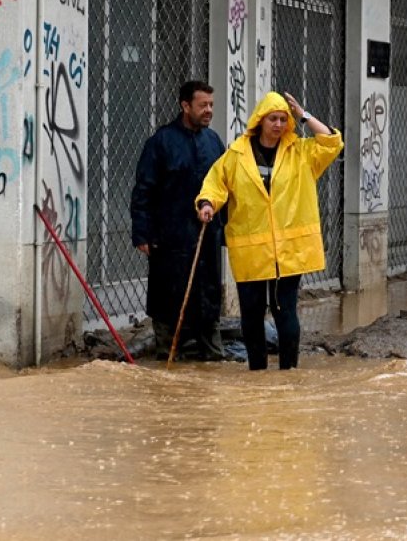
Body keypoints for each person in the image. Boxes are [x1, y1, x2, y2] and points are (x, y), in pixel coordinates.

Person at [195, 91, 343, 370]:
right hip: (250, 251)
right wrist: (207, 204)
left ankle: (288, 373)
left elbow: (332, 142)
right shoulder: (237, 154)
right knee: (251, 314)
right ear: (260, 121)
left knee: (285, 311)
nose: (278, 124)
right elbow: (215, 182)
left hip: (287, 253)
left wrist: (304, 116)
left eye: (283, 119)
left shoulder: (301, 152)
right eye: (273, 118)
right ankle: (258, 373)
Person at [131, 80, 227, 361]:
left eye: (211, 105)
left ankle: (212, 356)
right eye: (203, 105)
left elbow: (226, 185)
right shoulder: (160, 142)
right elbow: (143, 190)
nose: (209, 110)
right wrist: (142, 233)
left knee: (208, 296)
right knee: (167, 297)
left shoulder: (214, 142)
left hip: (206, 235)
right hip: (169, 236)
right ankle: (167, 353)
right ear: (185, 106)